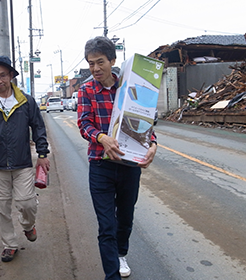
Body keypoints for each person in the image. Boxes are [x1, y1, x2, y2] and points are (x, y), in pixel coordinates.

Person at [77, 36, 157, 279]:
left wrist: (152, 144)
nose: (95, 69)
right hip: (100, 166)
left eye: (100, 62)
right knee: (106, 225)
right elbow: (84, 124)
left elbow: (147, 122)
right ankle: (111, 274)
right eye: (90, 64)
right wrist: (102, 138)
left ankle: (121, 252)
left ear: (113, 60)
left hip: (129, 165)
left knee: (125, 217)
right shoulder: (86, 90)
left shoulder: (131, 87)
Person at [0, 55, 50, 262]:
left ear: (11, 76)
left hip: (22, 163)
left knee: (27, 203)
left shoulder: (26, 102)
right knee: (0, 207)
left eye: (2, 75)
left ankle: (27, 225)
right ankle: (9, 244)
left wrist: (42, 154)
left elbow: (38, 128)